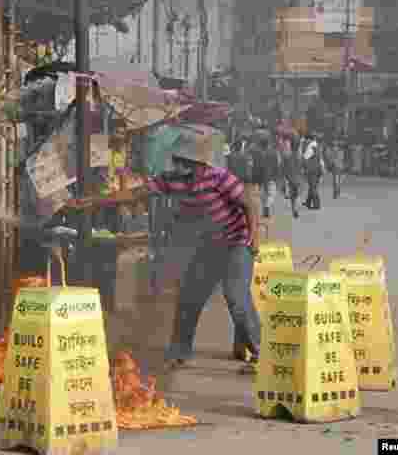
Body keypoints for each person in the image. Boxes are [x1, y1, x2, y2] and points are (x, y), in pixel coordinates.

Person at [69, 124, 261, 373]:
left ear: (201, 164)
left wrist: (253, 239)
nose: (181, 167)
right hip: (209, 247)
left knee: (236, 297)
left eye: (187, 162)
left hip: (237, 242)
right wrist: (94, 201)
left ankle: (260, 353)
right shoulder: (172, 180)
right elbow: (135, 194)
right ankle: (179, 352)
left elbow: (249, 204)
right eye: (179, 160)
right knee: (189, 297)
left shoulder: (220, 178)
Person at [252, 135, 282, 218]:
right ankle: (267, 206)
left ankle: (265, 207)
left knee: (262, 194)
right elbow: (277, 165)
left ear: (260, 145)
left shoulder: (256, 153)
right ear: (268, 144)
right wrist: (277, 176)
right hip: (271, 176)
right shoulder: (273, 152)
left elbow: (254, 166)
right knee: (271, 194)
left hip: (260, 177)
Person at [281, 136, 303, 219]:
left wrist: (284, 177)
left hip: (290, 178)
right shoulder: (300, 156)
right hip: (298, 178)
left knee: (292, 195)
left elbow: (282, 168)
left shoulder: (287, 156)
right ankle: (296, 209)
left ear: (291, 145)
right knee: (297, 194)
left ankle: (294, 209)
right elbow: (302, 167)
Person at [302, 134, 325, 210]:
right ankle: (308, 202)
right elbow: (321, 159)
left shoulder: (311, 147)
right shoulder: (317, 146)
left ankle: (316, 204)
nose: (305, 141)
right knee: (312, 186)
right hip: (317, 169)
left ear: (309, 139)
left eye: (306, 139)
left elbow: (305, 157)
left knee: (313, 187)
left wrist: (303, 167)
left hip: (312, 169)